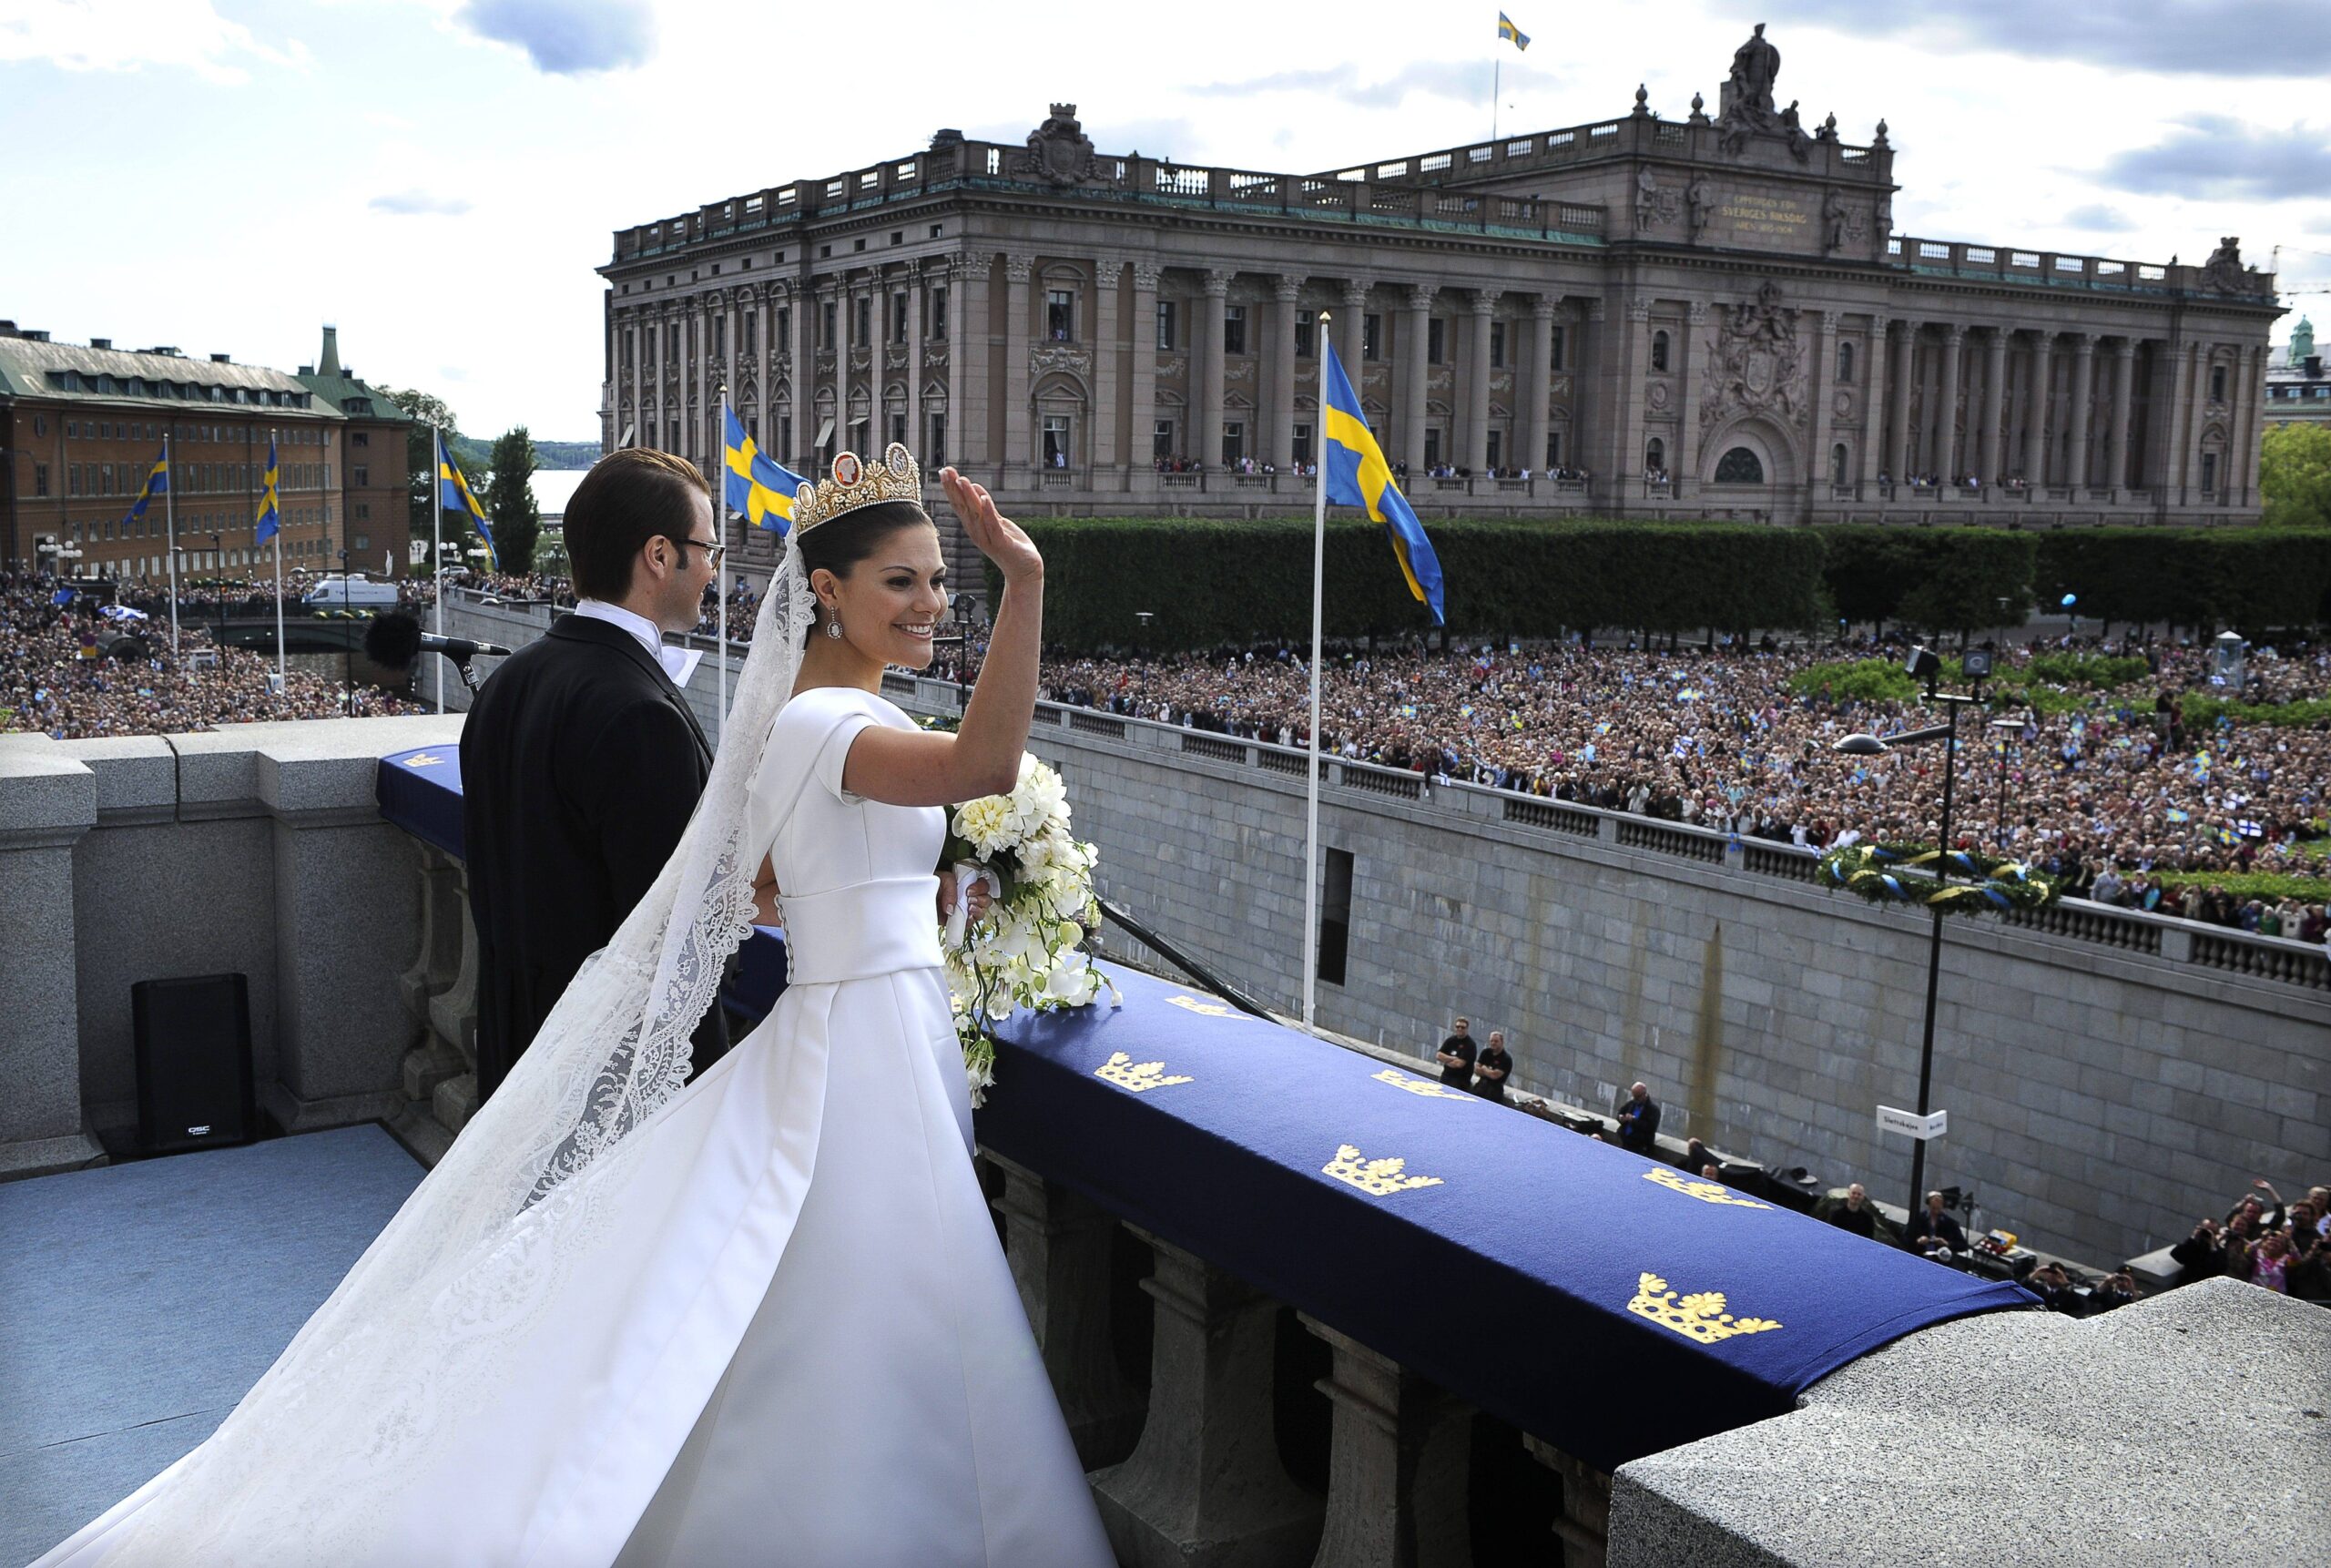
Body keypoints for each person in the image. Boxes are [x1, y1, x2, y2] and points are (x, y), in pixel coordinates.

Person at [34, 451, 1115, 1564]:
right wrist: (1021, 582)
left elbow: (746, 886)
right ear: (826, 591)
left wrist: (885, 893)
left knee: (826, 1315)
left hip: (736, 1028)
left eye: (944, 583)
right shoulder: (804, 727)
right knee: (832, 1316)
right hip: (840, 1047)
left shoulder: (534, 686)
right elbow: (983, 763)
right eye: (906, 581)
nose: (934, 603)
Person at [460, 448, 729, 1104]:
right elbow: (670, 945)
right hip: (605, 1085)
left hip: (514, 1055)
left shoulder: (507, 683)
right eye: (709, 549)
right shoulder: (642, 715)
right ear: (660, 555)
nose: (715, 571)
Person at [1903, 1190, 1968, 1257]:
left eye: (1938, 1208)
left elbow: (1963, 1245)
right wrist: (1918, 1241)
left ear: (1943, 1205)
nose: (1936, 1210)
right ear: (1929, 1204)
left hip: (1941, 1260)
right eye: (1934, 1208)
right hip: (1918, 1256)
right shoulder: (1917, 1218)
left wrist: (1946, 1243)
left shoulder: (1951, 1223)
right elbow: (1905, 1236)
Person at [1616, 1081, 1661, 1154]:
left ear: (1644, 1095)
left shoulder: (1653, 1110)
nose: (1635, 1100)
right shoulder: (1632, 1103)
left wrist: (1633, 1120)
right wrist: (1621, 1117)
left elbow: (1650, 1127)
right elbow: (1621, 1112)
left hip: (1639, 1146)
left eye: (1637, 1097)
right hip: (1625, 1141)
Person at [1471, 1029, 1512, 1104]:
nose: (1493, 1043)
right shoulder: (1485, 1052)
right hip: (1480, 1086)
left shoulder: (1506, 1058)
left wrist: (1484, 1068)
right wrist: (1489, 1072)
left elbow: (1494, 1076)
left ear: (1502, 1042)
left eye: (1496, 1041)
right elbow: (1476, 1070)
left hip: (1494, 1091)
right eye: (1491, 1041)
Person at [1435, 1014, 1477, 1089]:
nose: (1460, 1029)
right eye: (1458, 1027)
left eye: (1462, 1027)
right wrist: (1453, 1058)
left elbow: (1459, 1064)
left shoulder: (1470, 1045)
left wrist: (1445, 1060)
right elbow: (1438, 1055)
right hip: (1445, 1077)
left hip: (1460, 1081)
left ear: (1467, 1029)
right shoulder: (1451, 1040)